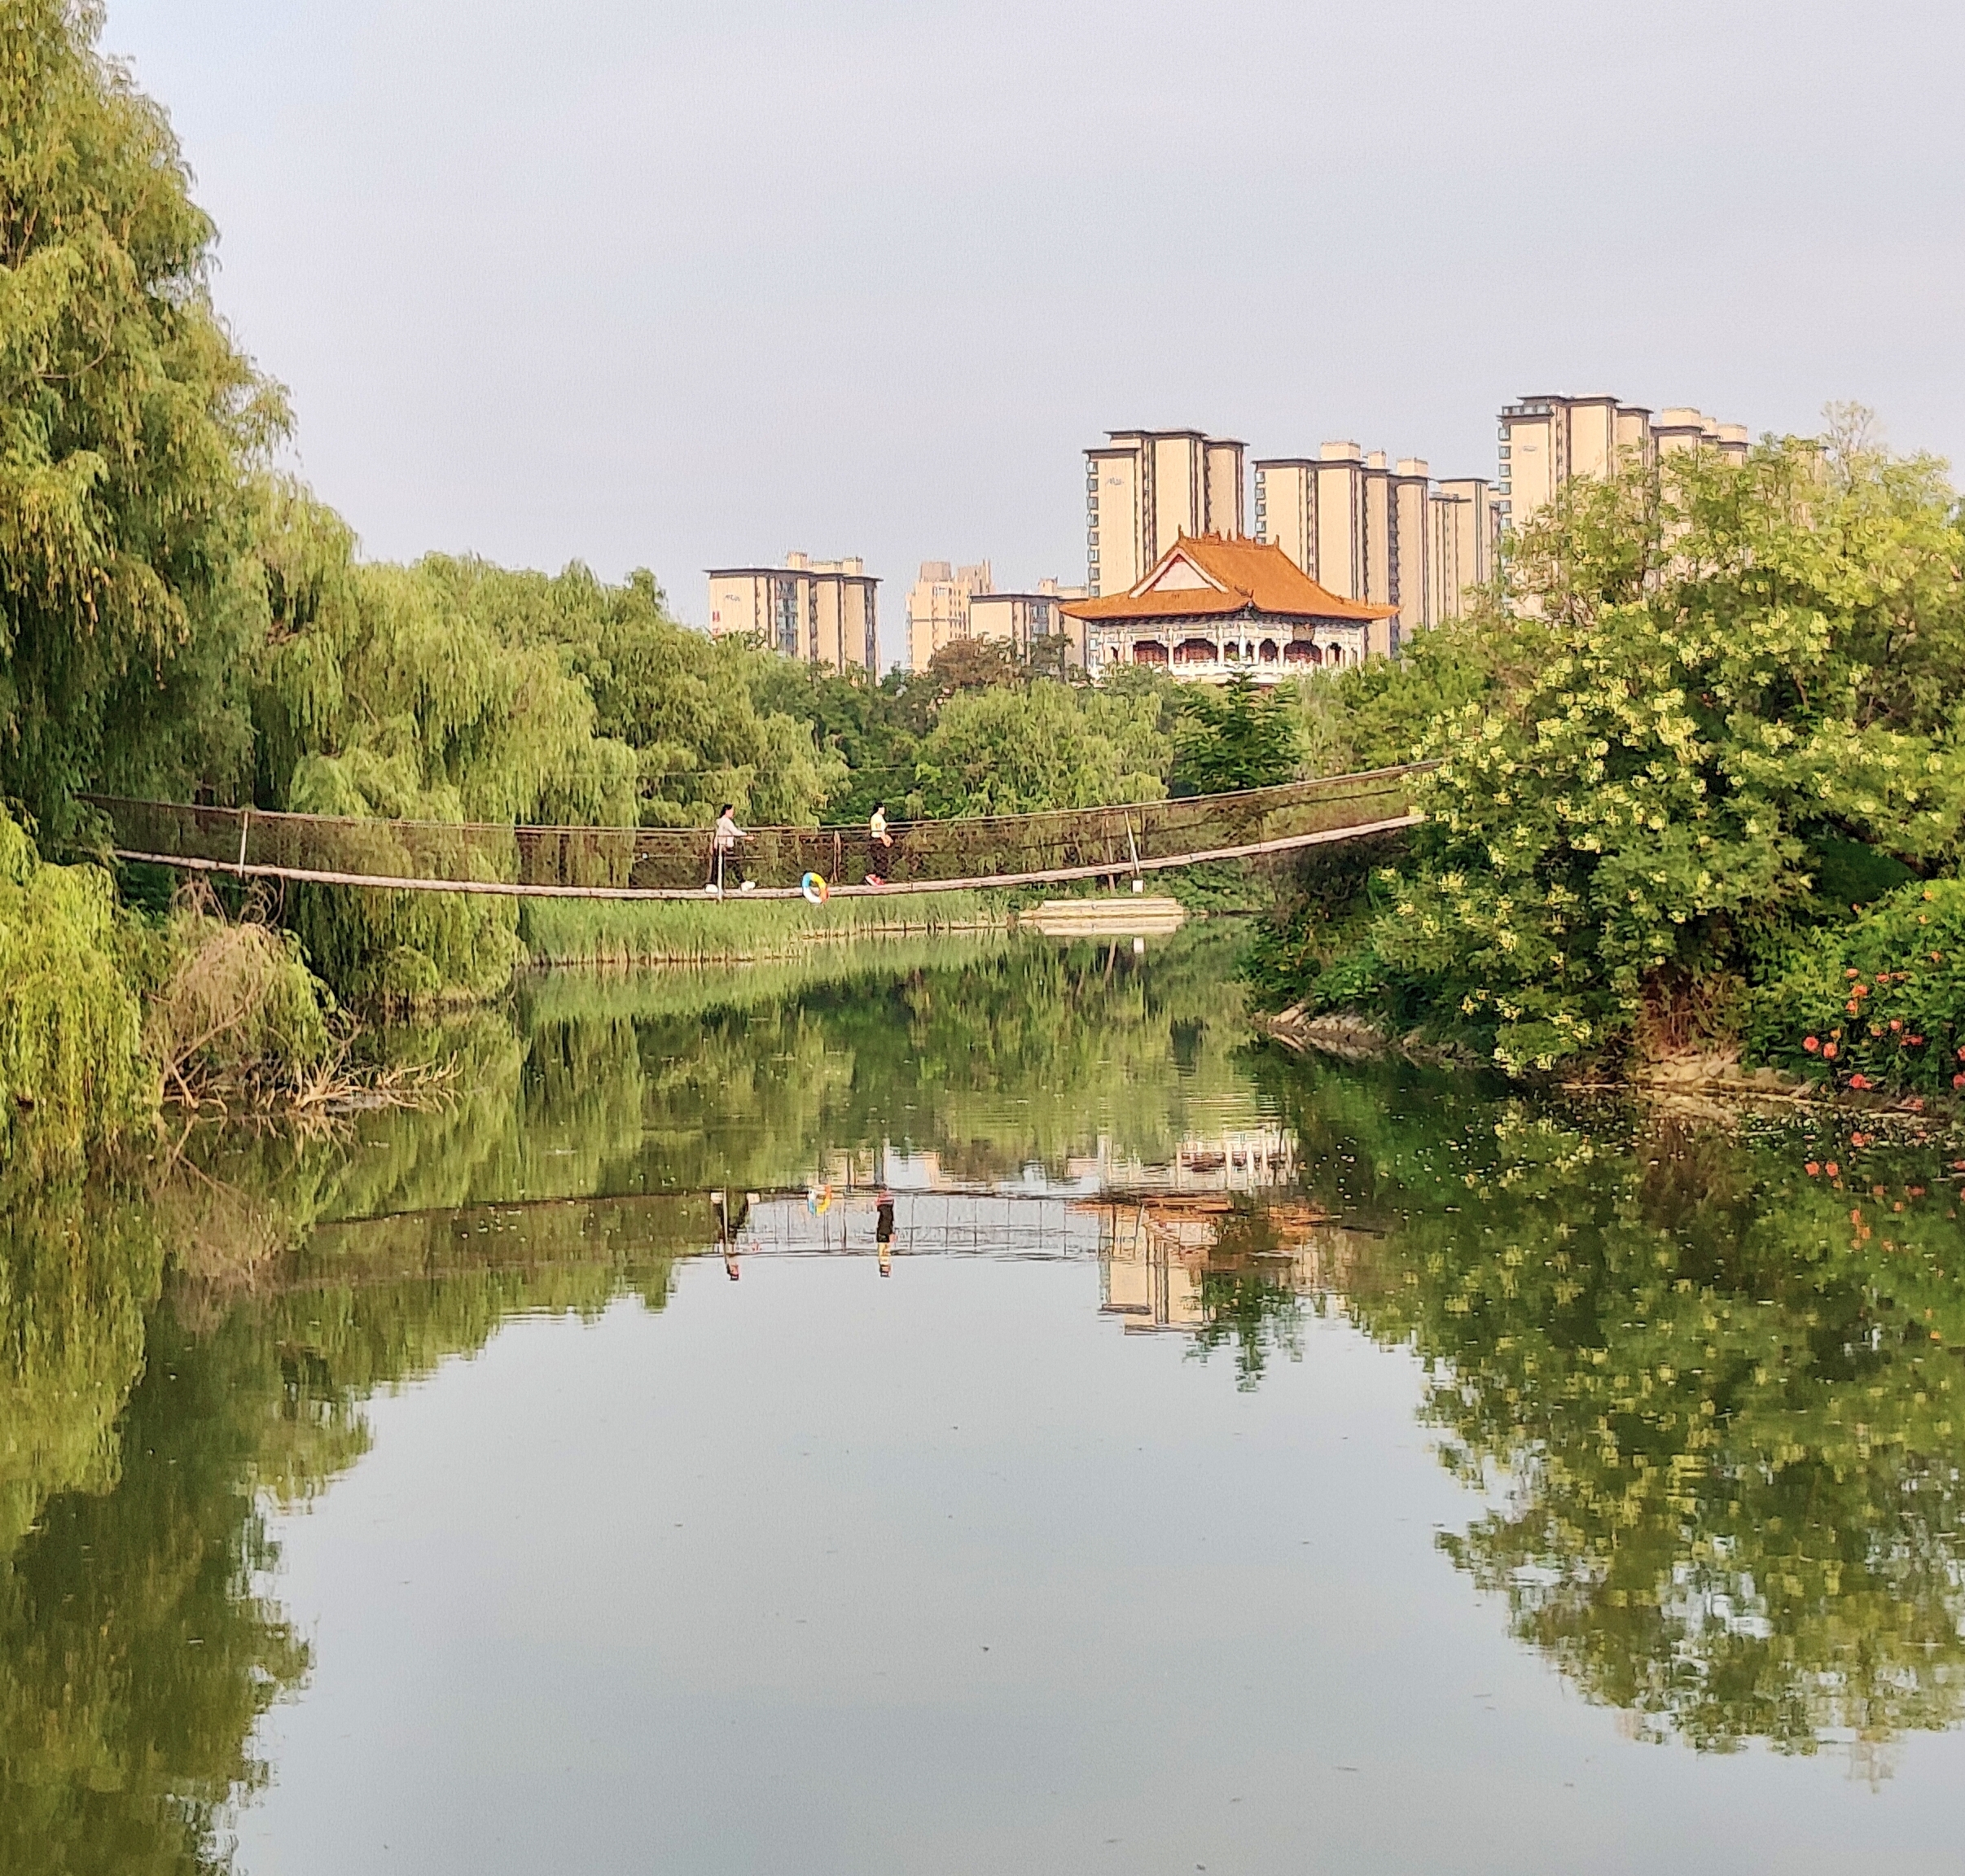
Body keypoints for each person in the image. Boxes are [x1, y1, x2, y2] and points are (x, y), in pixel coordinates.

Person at [708, 802, 743, 894]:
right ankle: (742, 882)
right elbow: (735, 832)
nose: (733, 813)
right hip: (725, 847)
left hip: (720, 846)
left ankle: (716, 885)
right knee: (732, 865)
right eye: (731, 811)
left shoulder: (720, 822)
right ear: (727, 811)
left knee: (719, 867)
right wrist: (746, 835)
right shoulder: (726, 822)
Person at [866, 801, 894, 888]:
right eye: (882, 808)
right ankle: (875, 877)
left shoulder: (877, 817)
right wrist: (885, 840)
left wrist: (887, 837)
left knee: (881, 859)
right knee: (881, 859)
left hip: (878, 839)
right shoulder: (877, 817)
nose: (884, 809)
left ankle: (877, 878)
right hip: (878, 840)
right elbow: (879, 831)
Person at [875, 1190, 896, 1277]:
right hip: (882, 1239)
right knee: (888, 1219)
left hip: (883, 1240)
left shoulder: (885, 1261)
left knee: (886, 1219)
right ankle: (883, 1203)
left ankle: (883, 1203)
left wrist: (889, 1241)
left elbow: (885, 1252)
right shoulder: (883, 1261)